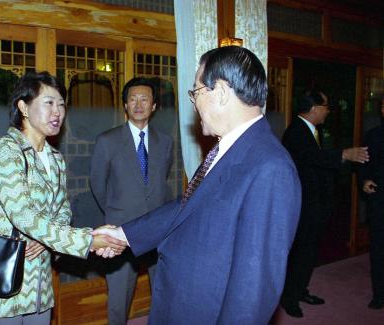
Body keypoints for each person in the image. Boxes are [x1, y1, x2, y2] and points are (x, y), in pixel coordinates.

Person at [93, 46, 302, 324]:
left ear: (222, 92)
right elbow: (188, 206)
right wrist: (124, 234)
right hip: (182, 301)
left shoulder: (270, 168)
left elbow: (253, 289)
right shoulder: (227, 148)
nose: (194, 102)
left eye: (196, 92)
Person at [0, 71, 127, 324]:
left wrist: (47, 240)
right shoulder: (5, 151)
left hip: (39, 288)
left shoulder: (55, 158)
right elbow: (23, 216)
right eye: (49, 103)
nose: (58, 112)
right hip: (0, 286)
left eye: (62, 104)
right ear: (24, 107)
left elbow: (62, 210)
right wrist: (88, 240)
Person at [90, 77, 173, 325]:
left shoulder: (165, 141)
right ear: (125, 105)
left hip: (157, 230)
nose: (139, 105)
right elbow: (97, 184)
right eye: (133, 99)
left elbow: (161, 181)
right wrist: (116, 212)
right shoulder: (107, 140)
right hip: (120, 231)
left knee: (162, 292)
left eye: (145, 99)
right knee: (119, 299)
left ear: (154, 106)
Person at [281, 90, 369, 317]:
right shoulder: (296, 132)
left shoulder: (311, 130)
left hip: (314, 203)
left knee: (309, 251)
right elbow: (314, 158)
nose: (328, 111)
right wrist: (344, 154)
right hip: (303, 204)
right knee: (301, 252)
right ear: (314, 109)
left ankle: (301, 290)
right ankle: (290, 298)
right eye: (326, 106)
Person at [359, 97, 384, 310]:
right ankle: (379, 295)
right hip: (379, 200)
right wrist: (364, 180)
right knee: (378, 250)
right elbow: (363, 164)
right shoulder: (373, 135)